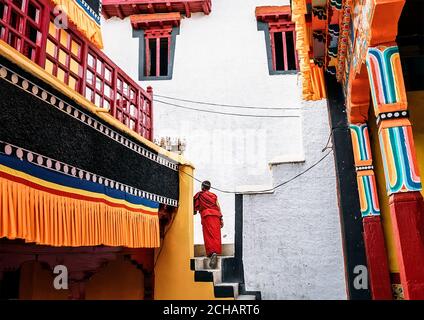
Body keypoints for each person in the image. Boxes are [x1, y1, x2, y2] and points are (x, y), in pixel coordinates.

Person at [193, 180, 223, 269]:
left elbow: (194, 207)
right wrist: (221, 218)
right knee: (216, 235)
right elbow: (218, 206)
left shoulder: (200, 195)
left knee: (208, 235)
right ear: (209, 188)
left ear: (202, 187)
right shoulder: (214, 196)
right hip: (216, 216)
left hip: (207, 216)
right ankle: (215, 252)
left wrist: (194, 210)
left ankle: (211, 253)